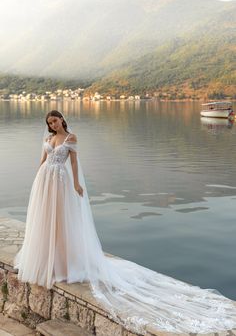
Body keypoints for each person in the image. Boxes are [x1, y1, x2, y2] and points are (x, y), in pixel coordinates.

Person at [13, 110, 236, 334]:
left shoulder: (71, 138)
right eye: (49, 122)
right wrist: (37, 180)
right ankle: (49, 259)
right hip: (45, 181)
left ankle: (63, 262)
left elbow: (73, 163)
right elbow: (42, 161)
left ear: (61, 119)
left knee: (61, 221)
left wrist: (78, 185)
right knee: (46, 220)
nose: (52, 124)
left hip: (61, 181)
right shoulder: (47, 139)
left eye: (54, 120)